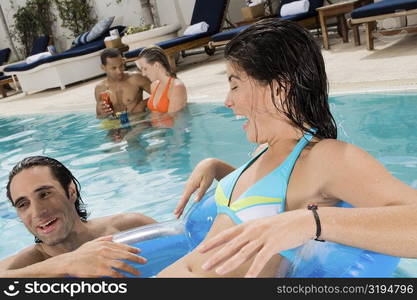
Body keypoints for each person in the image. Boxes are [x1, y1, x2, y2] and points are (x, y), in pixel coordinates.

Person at [158, 18, 417, 277]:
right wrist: (214, 166)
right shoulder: (264, 151)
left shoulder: (325, 158)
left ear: (280, 87)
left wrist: (312, 222)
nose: (227, 102)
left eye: (235, 85)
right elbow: (268, 200)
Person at [0, 156, 156, 277]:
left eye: (45, 194)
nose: (37, 212)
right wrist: (64, 263)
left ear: (71, 191)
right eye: (23, 204)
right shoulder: (26, 264)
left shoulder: (132, 227)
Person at [95, 48, 152, 119]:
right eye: (114, 68)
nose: (119, 71)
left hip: (138, 121)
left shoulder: (136, 78)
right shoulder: (100, 88)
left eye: (121, 66)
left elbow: (160, 93)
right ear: (103, 68)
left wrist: (142, 104)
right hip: (116, 124)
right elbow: (99, 116)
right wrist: (102, 113)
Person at [135, 45, 187, 116]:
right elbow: (155, 114)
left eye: (145, 69)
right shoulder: (154, 85)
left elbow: (176, 121)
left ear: (156, 65)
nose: (143, 74)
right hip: (157, 126)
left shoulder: (176, 87)